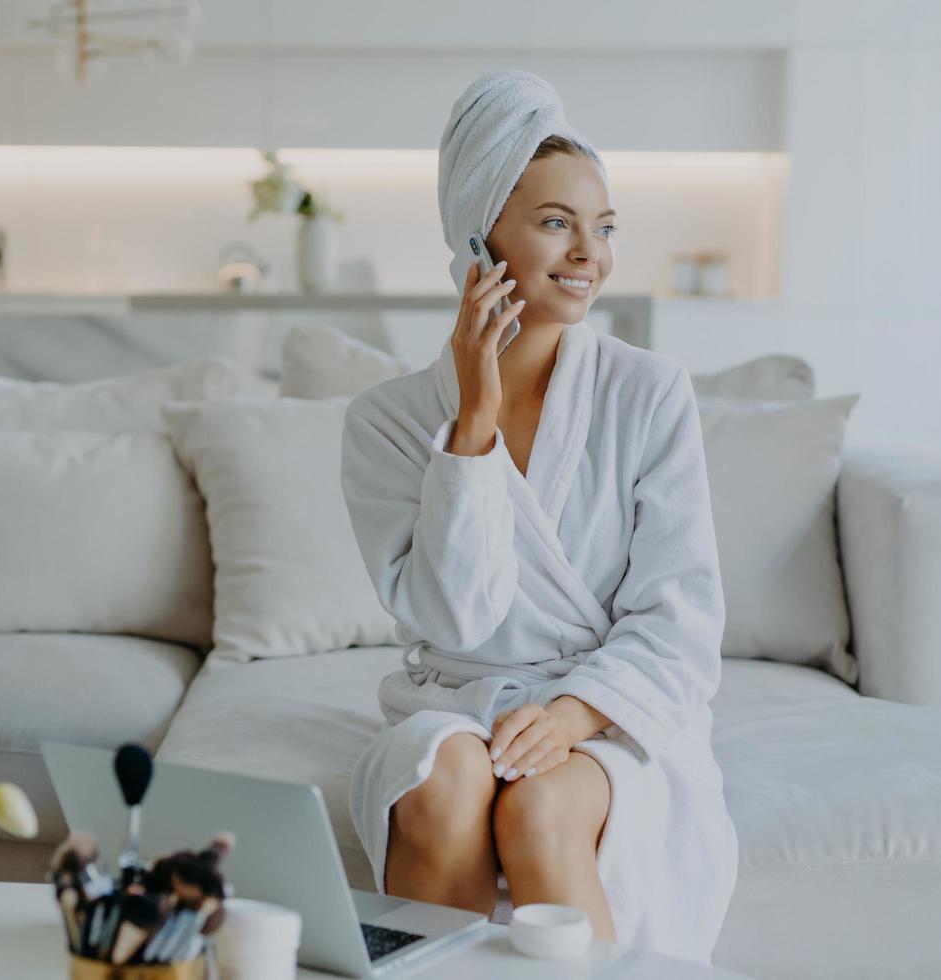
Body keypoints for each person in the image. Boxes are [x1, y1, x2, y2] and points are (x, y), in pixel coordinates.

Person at [341, 69, 738, 965]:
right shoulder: (388, 423)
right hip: (460, 697)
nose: (588, 255)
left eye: (603, 228)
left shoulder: (649, 393)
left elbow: (682, 615)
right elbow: (456, 619)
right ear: (479, 240)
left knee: (539, 803)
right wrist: (471, 430)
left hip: (607, 709)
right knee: (442, 782)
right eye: (556, 223)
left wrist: (576, 712)